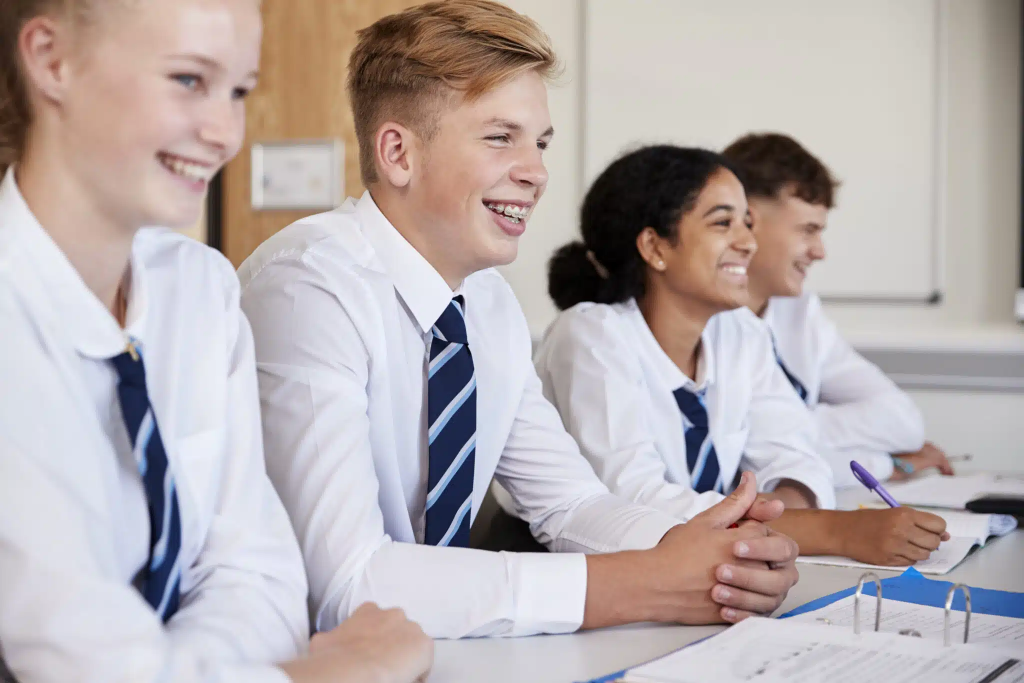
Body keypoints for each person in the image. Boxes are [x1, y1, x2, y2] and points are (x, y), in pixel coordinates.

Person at [238, 0, 801, 640]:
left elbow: (569, 503)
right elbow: (348, 584)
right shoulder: (308, 286)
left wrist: (720, 553)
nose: (536, 173)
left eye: (540, 143)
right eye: (501, 137)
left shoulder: (488, 304)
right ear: (398, 153)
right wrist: (644, 582)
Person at [0, 1, 432, 681]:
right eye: (188, 80)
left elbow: (260, 577)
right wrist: (345, 671)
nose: (225, 132)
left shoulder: (198, 290)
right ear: (52, 60)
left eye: (238, 91)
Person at [537, 145, 949, 567]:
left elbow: (794, 453)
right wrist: (830, 531)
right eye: (723, 223)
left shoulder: (739, 332)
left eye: (748, 224)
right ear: (655, 247)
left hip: (714, 565)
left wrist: (775, 518)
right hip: (590, 577)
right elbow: (633, 500)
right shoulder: (591, 335)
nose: (748, 243)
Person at [721, 132, 955, 487]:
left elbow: (904, 421)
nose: (819, 251)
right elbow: (745, 468)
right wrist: (885, 465)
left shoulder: (799, 313)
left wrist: (789, 427)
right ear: (746, 221)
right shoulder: (703, 321)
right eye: (808, 230)